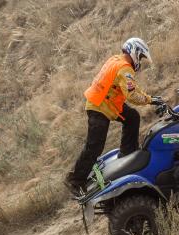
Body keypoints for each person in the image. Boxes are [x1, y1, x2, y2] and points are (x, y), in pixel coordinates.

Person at [65, 38, 163, 196]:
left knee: (132, 117)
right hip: (100, 107)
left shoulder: (116, 60)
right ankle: (75, 180)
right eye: (141, 57)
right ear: (135, 52)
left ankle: (128, 152)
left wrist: (148, 97)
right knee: (94, 146)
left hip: (104, 103)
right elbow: (131, 95)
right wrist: (150, 100)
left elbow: (131, 88)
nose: (141, 61)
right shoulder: (125, 68)